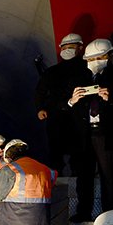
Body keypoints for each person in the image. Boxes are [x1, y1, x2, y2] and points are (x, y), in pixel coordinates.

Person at [66, 38, 113, 222]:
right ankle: (83, 211)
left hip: (106, 133)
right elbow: (63, 104)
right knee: (83, 174)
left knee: (108, 175)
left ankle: (110, 214)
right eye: (90, 59)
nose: (94, 62)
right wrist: (73, 101)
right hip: (84, 134)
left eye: (99, 57)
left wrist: (110, 98)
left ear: (109, 56)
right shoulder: (78, 78)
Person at [33, 33, 87, 174]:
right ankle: (56, 179)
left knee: (79, 152)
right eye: (64, 47)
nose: (67, 49)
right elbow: (40, 91)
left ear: (80, 48)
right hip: (56, 116)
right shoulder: (52, 72)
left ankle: (78, 180)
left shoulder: (86, 69)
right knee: (56, 150)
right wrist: (40, 108)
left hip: (78, 117)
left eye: (71, 46)